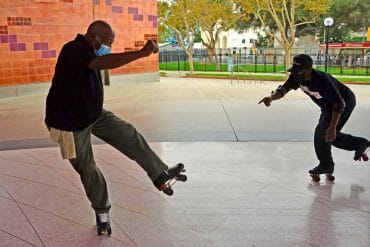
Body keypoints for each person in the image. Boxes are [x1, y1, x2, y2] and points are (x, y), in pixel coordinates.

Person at [45, 20, 186, 236]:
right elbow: (103, 63)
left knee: (128, 134)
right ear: (96, 38)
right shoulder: (73, 50)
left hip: (93, 113)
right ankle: (102, 214)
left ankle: (160, 174)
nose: (110, 46)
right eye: (109, 42)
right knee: (88, 169)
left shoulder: (90, 49)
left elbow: (101, 61)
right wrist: (140, 54)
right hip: (68, 123)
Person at [258, 54, 369, 179]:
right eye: (295, 71)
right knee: (328, 136)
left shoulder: (323, 80)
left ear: (309, 69)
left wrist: (332, 127)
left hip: (344, 102)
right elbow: (283, 89)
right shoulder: (296, 76)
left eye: (301, 71)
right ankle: (359, 143)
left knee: (323, 133)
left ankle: (326, 164)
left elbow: (339, 104)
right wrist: (271, 98)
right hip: (328, 107)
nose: (298, 75)